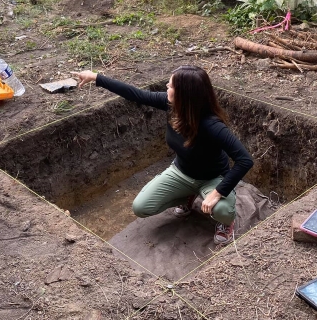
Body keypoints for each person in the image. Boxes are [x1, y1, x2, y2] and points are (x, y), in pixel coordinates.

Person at [72, 66, 254, 244]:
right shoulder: (171, 105)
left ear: (184, 94)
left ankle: (225, 223)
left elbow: (245, 160)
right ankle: (188, 196)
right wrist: (96, 77)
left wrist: (218, 192)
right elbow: (134, 93)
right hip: (181, 173)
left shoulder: (212, 126)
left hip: (213, 178)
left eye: (171, 85)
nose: (166, 87)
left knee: (222, 211)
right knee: (141, 207)